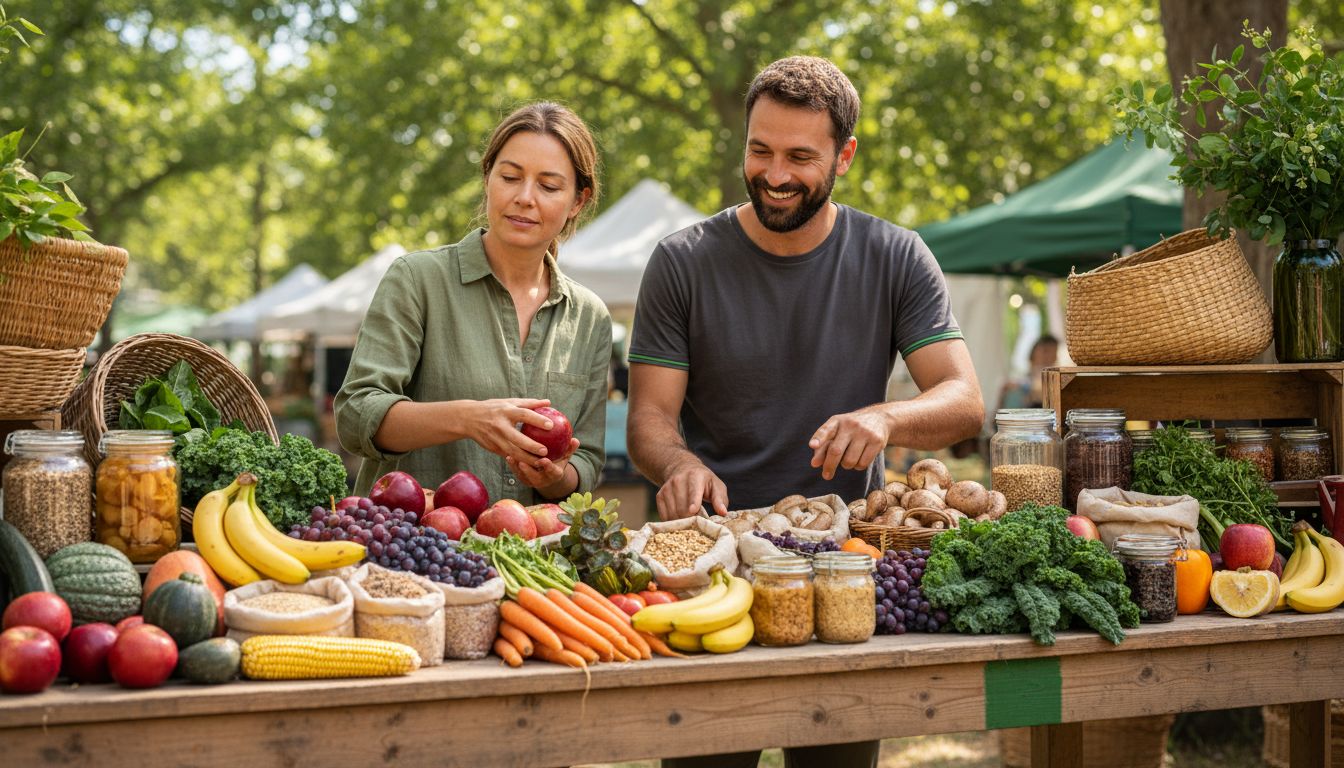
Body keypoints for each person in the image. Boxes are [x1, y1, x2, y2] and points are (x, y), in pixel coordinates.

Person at [626, 57, 984, 768]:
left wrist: (886, 419)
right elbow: (648, 421)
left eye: (800, 156)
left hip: (842, 574)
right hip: (708, 566)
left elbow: (963, 399)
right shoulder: (683, 261)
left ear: (845, 155)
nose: (775, 173)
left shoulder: (895, 256)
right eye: (760, 150)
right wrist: (677, 460)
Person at [335, 102, 612, 504]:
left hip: (530, 561)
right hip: (413, 553)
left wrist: (552, 476)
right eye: (510, 177)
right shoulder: (417, 280)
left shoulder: (589, 317)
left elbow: (585, 462)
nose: (524, 197)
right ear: (487, 179)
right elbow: (356, 413)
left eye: (549, 186)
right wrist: (468, 419)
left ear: (577, 202)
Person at [998, 334, 1059, 410]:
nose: (1050, 357)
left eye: (1054, 352)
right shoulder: (1023, 378)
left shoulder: (1055, 378)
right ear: (1034, 353)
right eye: (1045, 351)